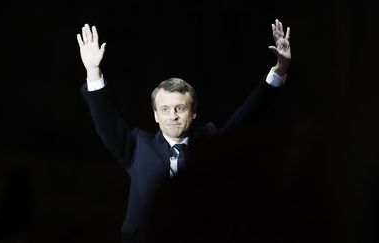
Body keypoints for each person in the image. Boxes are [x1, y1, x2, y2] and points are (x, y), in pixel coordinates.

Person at [77, 19, 291, 243]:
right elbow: (106, 121)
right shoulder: (138, 146)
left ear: (193, 112)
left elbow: (247, 117)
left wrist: (280, 70)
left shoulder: (209, 143)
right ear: (156, 115)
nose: (173, 115)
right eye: (165, 109)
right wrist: (93, 71)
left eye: (180, 108)